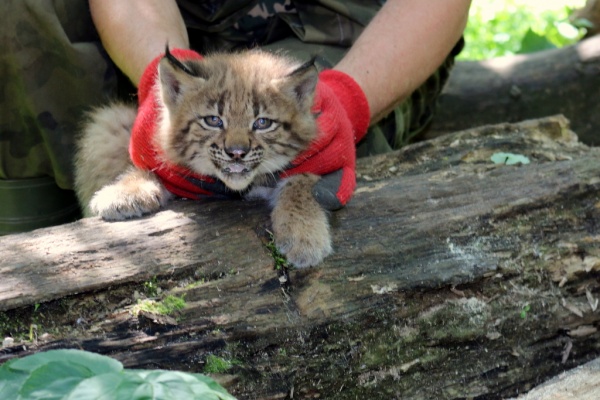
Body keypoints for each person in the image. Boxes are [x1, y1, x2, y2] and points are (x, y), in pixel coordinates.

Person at [0, 0, 470, 234]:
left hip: (337, 27)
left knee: (306, 179)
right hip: (176, 18)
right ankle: (38, 250)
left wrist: (349, 98)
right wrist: (167, 86)